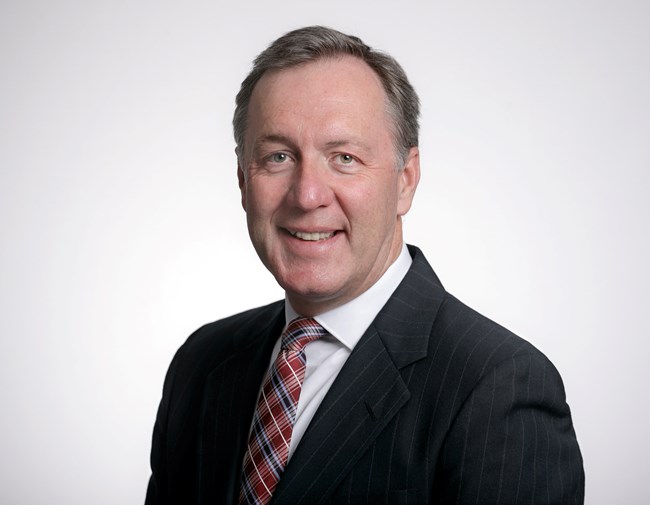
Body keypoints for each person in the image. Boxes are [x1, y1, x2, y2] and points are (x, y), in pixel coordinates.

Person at [145, 26, 584, 505]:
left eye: (345, 158)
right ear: (242, 180)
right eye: (278, 156)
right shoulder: (203, 362)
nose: (307, 195)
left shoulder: (498, 388)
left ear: (405, 180)